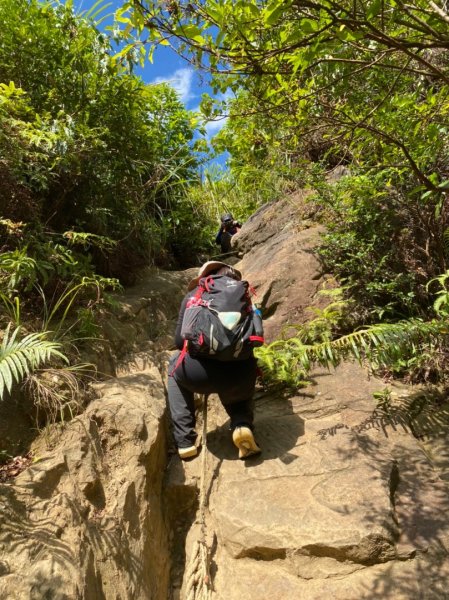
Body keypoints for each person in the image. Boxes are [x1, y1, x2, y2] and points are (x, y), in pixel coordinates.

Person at [167, 260, 261, 460]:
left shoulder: (194, 296)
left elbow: (179, 341)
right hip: (242, 376)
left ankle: (185, 442)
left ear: (205, 277)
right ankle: (241, 424)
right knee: (240, 369)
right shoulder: (244, 298)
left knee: (173, 368)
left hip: (199, 374)